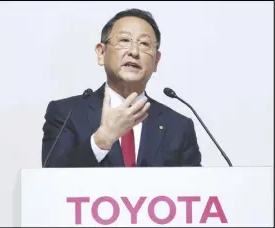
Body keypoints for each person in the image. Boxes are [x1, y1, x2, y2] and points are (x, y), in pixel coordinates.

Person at [42, 8, 202, 167]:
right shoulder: (66, 114)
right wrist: (101, 141)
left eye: (145, 44)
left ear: (156, 61)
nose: (134, 52)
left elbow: (196, 188)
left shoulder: (179, 127)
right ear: (101, 53)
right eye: (125, 41)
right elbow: (50, 181)